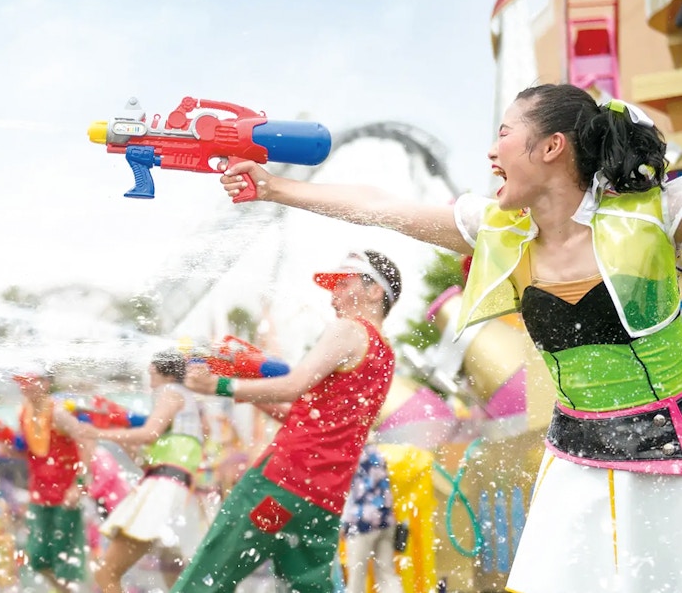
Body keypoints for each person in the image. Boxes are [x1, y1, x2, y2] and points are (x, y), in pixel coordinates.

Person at [216, 84, 682, 592]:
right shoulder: (501, 229)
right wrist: (274, 188)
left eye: (504, 134)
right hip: (576, 459)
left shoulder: (655, 215)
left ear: (551, 147)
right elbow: (379, 205)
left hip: (668, 456)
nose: (490, 150)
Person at [173, 250, 401, 593]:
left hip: (280, 482)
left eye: (343, 283)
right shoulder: (386, 356)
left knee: (205, 581)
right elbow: (311, 416)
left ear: (374, 291)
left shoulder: (348, 329)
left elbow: (294, 385)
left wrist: (220, 385)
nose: (333, 295)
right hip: (322, 504)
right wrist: (247, 388)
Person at [57, 350, 207, 593]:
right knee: (173, 573)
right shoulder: (182, 410)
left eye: (153, 375)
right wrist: (118, 432)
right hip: (170, 486)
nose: (150, 382)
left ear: (167, 375)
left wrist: (98, 433)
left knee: (106, 572)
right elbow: (145, 462)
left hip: (162, 488)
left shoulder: (171, 393)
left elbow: (149, 433)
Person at [11, 371, 88, 593]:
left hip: (65, 496)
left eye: (30, 381)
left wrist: (80, 482)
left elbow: (84, 437)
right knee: (36, 558)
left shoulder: (59, 412)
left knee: (67, 563)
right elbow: (29, 452)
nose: (25, 387)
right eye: (21, 382)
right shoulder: (22, 413)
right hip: (39, 495)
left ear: (45, 384)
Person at [341, 444, 402, 593]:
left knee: (357, 577)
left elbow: (349, 493)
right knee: (387, 574)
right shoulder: (376, 453)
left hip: (360, 521)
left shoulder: (350, 453)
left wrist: (343, 524)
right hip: (385, 519)